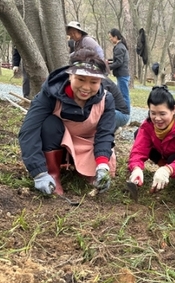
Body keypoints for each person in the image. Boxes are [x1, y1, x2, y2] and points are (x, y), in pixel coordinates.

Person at [18, 48, 116, 195]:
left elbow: (105, 134)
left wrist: (102, 165)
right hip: (58, 141)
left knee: (94, 178)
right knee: (49, 124)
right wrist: (38, 172)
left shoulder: (106, 100)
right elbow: (28, 131)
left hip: (88, 144)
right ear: (70, 75)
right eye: (80, 79)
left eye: (94, 82)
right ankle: (52, 173)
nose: (86, 87)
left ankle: (85, 169)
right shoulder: (50, 94)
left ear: (101, 81)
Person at [108, 28, 131, 112]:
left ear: (116, 37)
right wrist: (109, 61)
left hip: (122, 74)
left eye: (111, 37)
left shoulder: (119, 47)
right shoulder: (120, 46)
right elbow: (117, 59)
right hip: (122, 75)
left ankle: (126, 113)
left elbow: (119, 62)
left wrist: (108, 67)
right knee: (121, 94)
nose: (110, 39)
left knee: (124, 95)